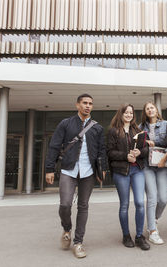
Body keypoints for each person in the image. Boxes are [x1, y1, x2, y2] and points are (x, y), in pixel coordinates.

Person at [45, 93, 106, 258]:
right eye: (85, 103)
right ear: (77, 105)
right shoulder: (65, 124)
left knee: (83, 206)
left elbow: (101, 151)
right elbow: (54, 146)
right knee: (65, 205)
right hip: (68, 170)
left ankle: (78, 242)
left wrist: (102, 170)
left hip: (88, 172)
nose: (88, 106)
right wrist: (49, 168)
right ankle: (66, 228)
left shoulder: (97, 128)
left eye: (90, 103)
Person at [107, 104, 150, 250]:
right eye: (126, 112)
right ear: (121, 114)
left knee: (139, 202)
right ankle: (126, 235)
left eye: (131, 112)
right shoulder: (114, 131)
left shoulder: (137, 130)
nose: (129, 114)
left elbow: (146, 148)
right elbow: (110, 153)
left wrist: (140, 153)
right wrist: (126, 157)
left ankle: (139, 236)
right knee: (124, 205)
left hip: (137, 170)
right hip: (121, 172)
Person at [139, 101, 167, 245]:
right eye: (147, 108)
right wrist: (146, 142)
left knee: (163, 199)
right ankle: (152, 231)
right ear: (145, 112)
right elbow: (138, 144)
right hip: (147, 165)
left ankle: (154, 219)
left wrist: (156, 144)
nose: (150, 110)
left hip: (162, 164)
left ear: (156, 110)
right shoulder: (140, 127)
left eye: (152, 107)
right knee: (152, 198)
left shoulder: (166, 125)